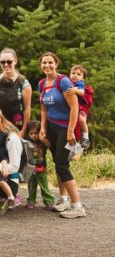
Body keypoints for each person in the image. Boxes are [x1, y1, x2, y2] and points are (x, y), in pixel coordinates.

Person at [37, 52, 85, 218]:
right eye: (44, 63)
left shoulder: (63, 81)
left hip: (66, 128)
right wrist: (43, 128)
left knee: (62, 165)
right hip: (51, 127)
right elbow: (44, 108)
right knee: (58, 162)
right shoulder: (42, 83)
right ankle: (64, 200)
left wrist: (71, 130)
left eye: (50, 62)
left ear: (56, 64)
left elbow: (74, 107)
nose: (47, 66)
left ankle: (77, 206)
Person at [0, 48, 32, 137]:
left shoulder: (23, 83)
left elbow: (27, 109)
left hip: (15, 128)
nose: (6, 64)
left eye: (9, 62)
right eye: (3, 62)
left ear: (15, 61)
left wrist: (23, 130)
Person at [25, 120, 55, 210]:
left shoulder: (42, 142)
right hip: (30, 168)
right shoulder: (26, 142)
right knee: (31, 186)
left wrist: (47, 142)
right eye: (31, 133)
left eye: (36, 133)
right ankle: (31, 201)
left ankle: (49, 201)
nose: (34, 135)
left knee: (44, 186)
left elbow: (50, 145)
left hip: (41, 167)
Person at [69, 64, 94, 149]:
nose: (75, 75)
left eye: (78, 74)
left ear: (83, 78)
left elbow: (82, 92)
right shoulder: (68, 82)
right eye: (73, 73)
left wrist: (76, 90)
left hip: (81, 108)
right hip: (72, 108)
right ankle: (75, 152)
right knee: (73, 128)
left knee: (82, 120)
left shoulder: (80, 83)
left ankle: (86, 137)